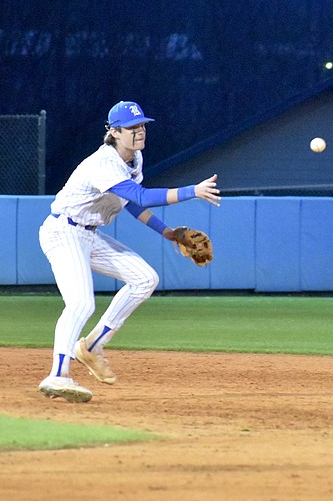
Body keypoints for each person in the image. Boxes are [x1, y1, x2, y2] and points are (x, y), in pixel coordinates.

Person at [37, 101, 220, 403]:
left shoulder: (135, 160)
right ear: (114, 132)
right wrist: (192, 191)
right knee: (81, 303)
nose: (140, 132)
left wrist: (169, 233)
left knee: (145, 278)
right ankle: (57, 375)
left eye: (142, 125)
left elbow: (131, 204)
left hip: (88, 235)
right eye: (132, 127)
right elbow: (141, 196)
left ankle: (93, 345)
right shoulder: (104, 163)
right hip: (63, 231)